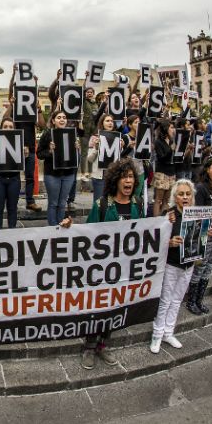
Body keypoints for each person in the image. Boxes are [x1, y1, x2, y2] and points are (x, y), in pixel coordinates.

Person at [81, 158, 144, 369]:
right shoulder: (101, 205)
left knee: (114, 309)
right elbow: (87, 236)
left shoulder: (138, 205)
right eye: (124, 177)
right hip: (101, 271)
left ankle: (102, 345)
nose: (129, 181)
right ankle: (89, 346)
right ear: (116, 180)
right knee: (97, 308)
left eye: (131, 177)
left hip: (124, 270)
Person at [150, 178, 201, 353]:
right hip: (172, 264)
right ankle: (157, 335)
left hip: (188, 265)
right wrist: (170, 242)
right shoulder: (169, 214)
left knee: (177, 300)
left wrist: (206, 233)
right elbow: (157, 240)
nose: (185, 197)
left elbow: (199, 239)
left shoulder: (197, 214)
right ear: (175, 197)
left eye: (188, 194)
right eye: (181, 194)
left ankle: (168, 333)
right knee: (165, 300)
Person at [185, 157, 212, 315]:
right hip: (205, 235)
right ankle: (191, 301)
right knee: (200, 267)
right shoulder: (201, 188)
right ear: (207, 170)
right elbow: (196, 214)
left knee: (209, 267)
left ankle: (199, 300)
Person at [6, 64, 45, 212]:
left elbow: (42, 125)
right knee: (14, 177)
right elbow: (5, 119)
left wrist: (39, 110)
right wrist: (13, 75)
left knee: (30, 177)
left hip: (30, 147)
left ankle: (30, 201)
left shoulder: (32, 108)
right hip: (15, 147)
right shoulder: (14, 106)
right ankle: (13, 202)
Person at [37, 105, 78, 225]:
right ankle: (52, 229)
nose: (62, 120)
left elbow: (76, 159)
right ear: (53, 121)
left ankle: (60, 227)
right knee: (53, 203)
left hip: (68, 174)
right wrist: (50, 151)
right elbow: (39, 154)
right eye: (59, 117)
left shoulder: (72, 134)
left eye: (64, 118)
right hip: (52, 175)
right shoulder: (47, 134)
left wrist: (77, 150)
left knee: (62, 203)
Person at [0, 118, 26, 229]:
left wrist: (25, 154)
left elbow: (23, 163)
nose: (8, 129)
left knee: (12, 208)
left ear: (14, 129)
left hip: (14, 179)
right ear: (1, 128)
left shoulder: (19, 142)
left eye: (10, 127)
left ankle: (12, 233)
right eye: (5, 126)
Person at [87, 114, 131, 203]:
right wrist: (96, 148)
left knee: (112, 203)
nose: (110, 123)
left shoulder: (117, 138)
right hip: (100, 177)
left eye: (111, 121)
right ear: (102, 123)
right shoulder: (95, 137)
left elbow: (118, 160)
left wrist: (121, 148)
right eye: (107, 121)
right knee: (99, 203)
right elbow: (90, 159)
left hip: (113, 177)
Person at [152, 119, 176, 218]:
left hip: (171, 172)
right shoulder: (158, 142)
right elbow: (161, 158)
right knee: (158, 199)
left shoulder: (172, 141)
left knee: (167, 200)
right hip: (162, 173)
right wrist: (171, 150)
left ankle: (162, 221)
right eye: (171, 127)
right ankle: (155, 222)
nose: (173, 130)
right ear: (166, 128)